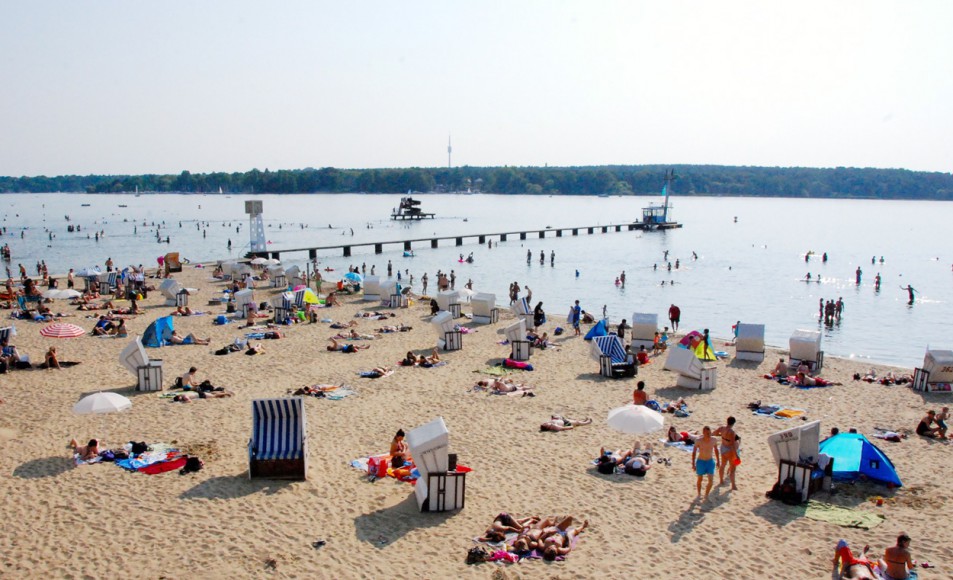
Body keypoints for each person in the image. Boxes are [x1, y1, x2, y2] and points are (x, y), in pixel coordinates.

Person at [692, 426, 719, 500]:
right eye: (707, 433)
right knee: (700, 479)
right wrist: (693, 464)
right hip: (701, 462)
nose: (708, 434)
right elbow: (694, 452)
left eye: (709, 432)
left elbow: (716, 450)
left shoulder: (714, 440)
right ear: (703, 433)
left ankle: (706, 495)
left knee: (711, 481)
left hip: (710, 461)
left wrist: (718, 461)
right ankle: (699, 494)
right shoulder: (698, 440)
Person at [713, 417, 739, 491]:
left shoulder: (722, 428)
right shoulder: (732, 432)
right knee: (733, 468)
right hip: (729, 450)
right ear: (733, 423)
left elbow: (715, 433)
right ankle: (733, 485)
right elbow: (733, 445)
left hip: (723, 448)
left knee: (723, 465)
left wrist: (721, 436)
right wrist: (737, 456)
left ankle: (721, 480)